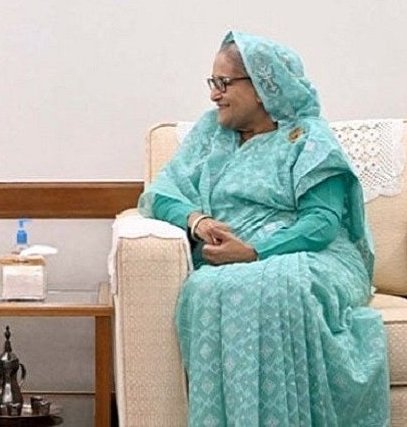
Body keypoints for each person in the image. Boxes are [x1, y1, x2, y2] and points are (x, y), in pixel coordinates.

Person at [138, 31, 389, 425]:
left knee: (279, 288)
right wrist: (198, 221)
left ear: (261, 87)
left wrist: (255, 252)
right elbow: (161, 195)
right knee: (205, 289)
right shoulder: (211, 134)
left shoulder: (309, 139)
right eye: (212, 82)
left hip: (310, 253)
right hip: (228, 259)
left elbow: (321, 223)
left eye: (224, 83)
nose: (214, 95)